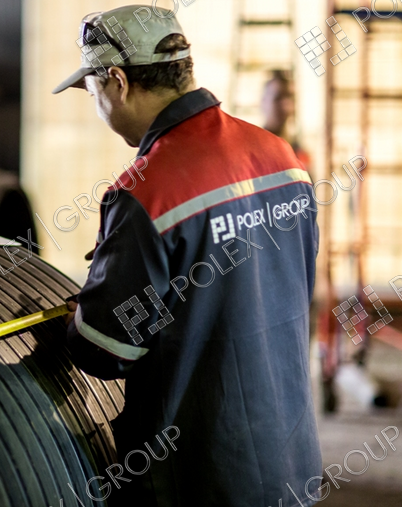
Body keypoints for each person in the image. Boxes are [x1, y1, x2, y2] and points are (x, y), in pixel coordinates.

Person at [53, 6, 323, 505]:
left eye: (92, 92)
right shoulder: (283, 161)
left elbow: (106, 350)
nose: (97, 107)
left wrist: (80, 320)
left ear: (117, 82)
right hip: (291, 463)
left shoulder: (147, 193)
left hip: (197, 476)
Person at [261, 69, 311, 169]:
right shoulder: (254, 150)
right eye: (278, 98)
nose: (286, 105)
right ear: (264, 102)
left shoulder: (299, 154)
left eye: (290, 98)